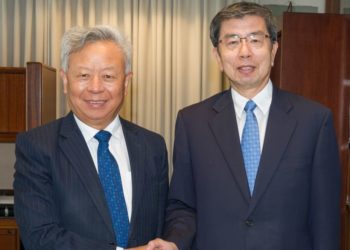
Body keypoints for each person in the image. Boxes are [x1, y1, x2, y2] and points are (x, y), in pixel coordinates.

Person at [147, 2, 341, 250]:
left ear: (273, 50)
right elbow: (184, 206)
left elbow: (324, 218)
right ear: (217, 56)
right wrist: (175, 242)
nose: (245, 52)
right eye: (232, 41)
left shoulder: (314, 121)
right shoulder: (192, 122)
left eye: (255, 40)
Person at [13, 25, 169, 250]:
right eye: (84, 75)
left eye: (108, 76)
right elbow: (40, 236)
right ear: (65, 81)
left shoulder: (152, 146)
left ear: (125, 83)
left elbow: (162, 222)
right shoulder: (37, 146)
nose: (96, 88)